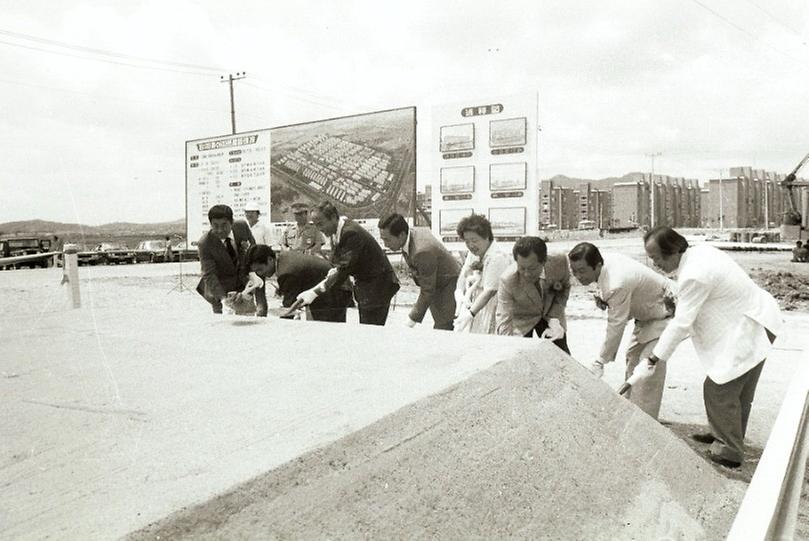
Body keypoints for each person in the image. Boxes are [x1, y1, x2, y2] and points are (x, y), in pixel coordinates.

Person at [635, 227, 783, 468]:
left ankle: (728, 450)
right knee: (736, 389)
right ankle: (725, 434)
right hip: (754, 318)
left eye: (657, 257)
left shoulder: (694, 273)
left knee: (719, 389)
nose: (655, 264)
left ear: (673, 251)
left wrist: (654, 358)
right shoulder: (699, 253)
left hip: (752, 326)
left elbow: (682, 322)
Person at [568, 242, 675, 419]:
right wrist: (603, 298)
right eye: (574, 270)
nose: (577, 276)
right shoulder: (605, 263)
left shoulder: (616, 283)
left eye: (582, 270)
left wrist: (600, 361)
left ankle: (644, 424)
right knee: (632, 361)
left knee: (647, 369)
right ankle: (630, 414)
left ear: (597, 265)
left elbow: (616, 324)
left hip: (666, 312)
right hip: (646, 318)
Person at [297, 201, 399, 325]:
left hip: (378, 286)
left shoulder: (351, 233)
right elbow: (337, 265)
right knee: (367, 328)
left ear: (333, 217)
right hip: (367, 286)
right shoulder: (337, 232)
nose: (320, 229)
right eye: (316, 225)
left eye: (321, 224)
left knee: (371, 330)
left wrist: (314, 292)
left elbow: (343, 270)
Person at [378, 213, 460, 330]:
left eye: (387, 240)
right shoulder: (409, 235)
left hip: (447, 284)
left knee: (444, 328)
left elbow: (427, 290)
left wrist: (410, 320)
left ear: (401, 235)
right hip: (437, 281)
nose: (385, 244)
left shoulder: (422, 251)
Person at [495, 236, 571, 353]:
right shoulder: (507, 280)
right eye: (522, 268)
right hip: (522, 320)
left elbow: (565, 286)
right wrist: (507, 346)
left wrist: (554, 318)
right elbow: (503, 318)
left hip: (550, 313)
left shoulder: (559, 261)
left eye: (532, 268)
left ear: (544, 261)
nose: (526, 274)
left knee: (561, 357)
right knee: (519, 358)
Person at [244, 244, 352, 321]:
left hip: (336, 289)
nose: (260, 274)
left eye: (260, 270)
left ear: (270, 260)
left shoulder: (286, 272)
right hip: (329, 287)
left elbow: (289, 311)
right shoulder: (282, 257)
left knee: (325, 331)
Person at [453, 214, 511, 334]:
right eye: (467, 241)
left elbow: (489, 291)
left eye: (474, 240)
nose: (470, 245)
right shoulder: (474, 251)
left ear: (487, 237)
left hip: (495, 305)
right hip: (479, 304)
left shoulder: (497, 257)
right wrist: (459, 291)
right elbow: (464, 273)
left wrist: (470, 314)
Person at [195, 204, 256, 314]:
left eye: (224, 225)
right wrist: (224, 300)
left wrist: (251, 278)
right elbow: (209, 275)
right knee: (225, 323)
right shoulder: (205, 243)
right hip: (219, 287)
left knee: (248, 319)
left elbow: (253, 250)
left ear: (232, 222)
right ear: (210, 224)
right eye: (215, 225)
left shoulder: (242, 226)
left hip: (243, 283)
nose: (219, 230)